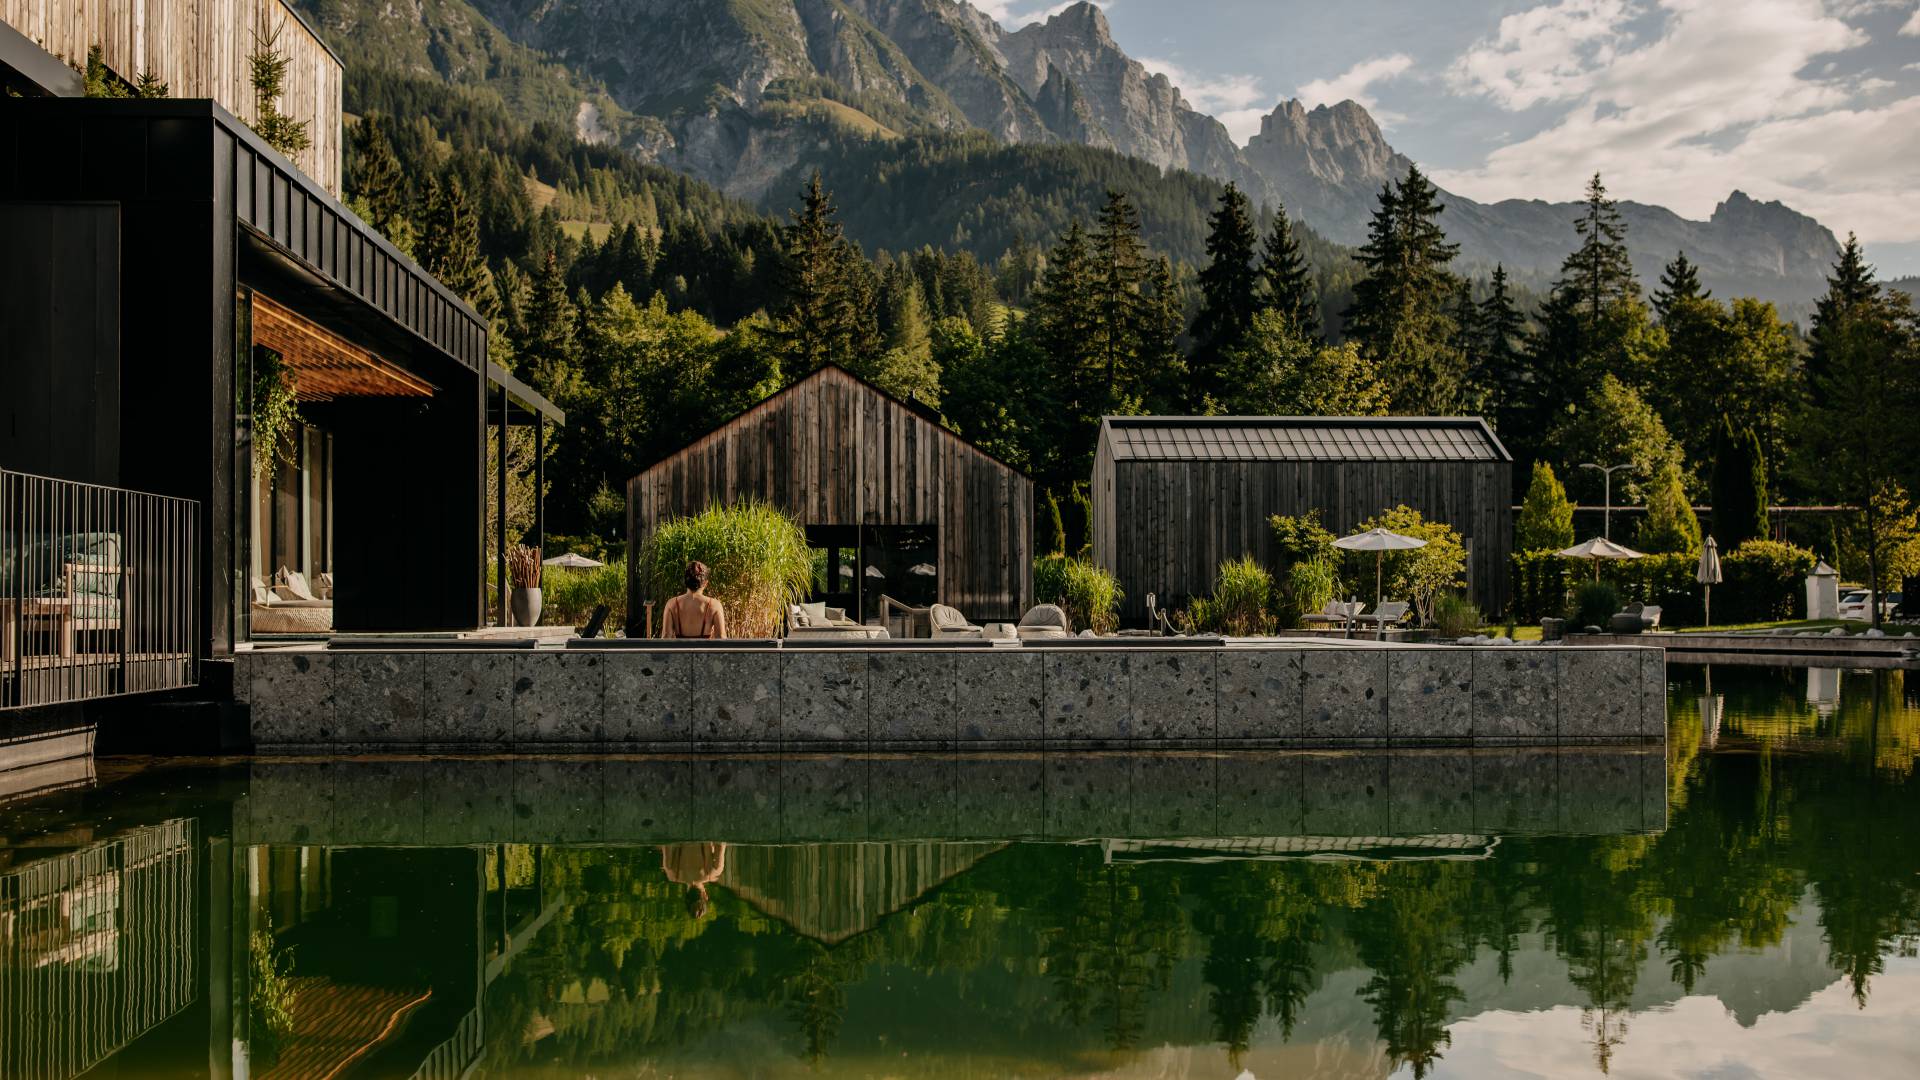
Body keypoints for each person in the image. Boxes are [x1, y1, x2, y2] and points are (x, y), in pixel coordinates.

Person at [661, 559, 727, 639]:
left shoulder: (671, 604)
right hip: (704, 651)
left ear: (685, 581)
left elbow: (666, 637)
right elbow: (721, 637)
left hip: (681, 651)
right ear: (706, 583)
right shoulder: (714, 605)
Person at [660, 842, 727, 919]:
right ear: (686, 896)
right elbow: (666, 843)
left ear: (705, 896)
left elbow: (721, 843)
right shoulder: (673, 874)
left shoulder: (714, 872)